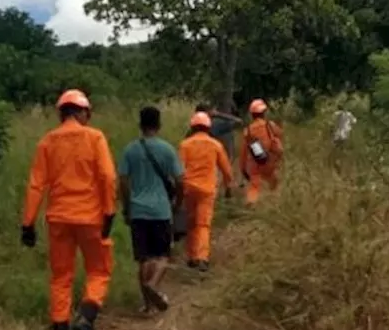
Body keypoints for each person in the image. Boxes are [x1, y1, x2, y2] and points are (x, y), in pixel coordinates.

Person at [21, 89, 118, 330]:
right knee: (99, 270)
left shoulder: (47, 142)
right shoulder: (95, 137)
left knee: (61, 277)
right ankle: (86, 318)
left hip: (59, 219)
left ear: (61, 113)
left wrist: (27, 223)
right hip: (90, 217)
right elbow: (108, 177)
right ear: (83, 112)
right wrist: (109, 212)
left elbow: (36, 185)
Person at [118, 105, 183, 315]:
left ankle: (147, 305)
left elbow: (123, 182)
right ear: (159, 125)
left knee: (144, 258)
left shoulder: (130, 150)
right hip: (161, 210)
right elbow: (181, 180)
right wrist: (177, 203)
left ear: (140, 124)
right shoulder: (167, 149)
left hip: (138, 211)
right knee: (163, 256)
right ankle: (153, 284)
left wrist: (127, 208)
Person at [179, 112, 234, 271]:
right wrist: (228, 186)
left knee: (191, 223)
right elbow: (226, 170)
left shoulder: (185, 145)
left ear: (192, 126)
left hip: (188, 189)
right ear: (208, 126)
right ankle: (202, 257)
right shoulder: (215, 145)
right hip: (207, 190)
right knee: (203, 224)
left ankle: (192, 257)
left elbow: (179, 170)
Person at [240, 98, 284, 205]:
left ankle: (251, 201)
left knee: (254, 186)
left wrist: (243, 169)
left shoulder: (248, 131)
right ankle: (273, 203)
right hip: (269, 161)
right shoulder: (270, 125)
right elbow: (280, 135)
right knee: (274, 181)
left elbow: (244, 152)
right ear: (264, 112)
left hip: (255, 162)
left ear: (252, 114)